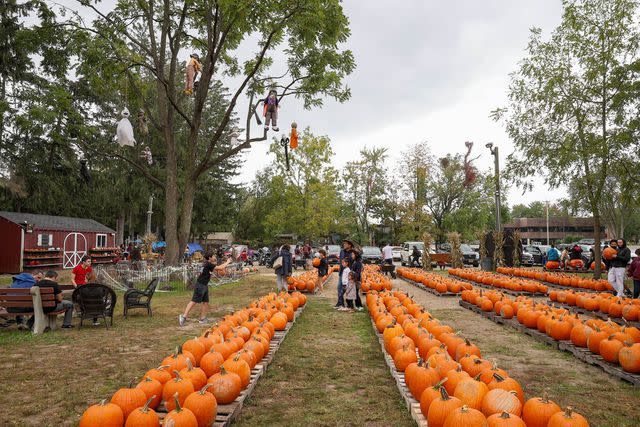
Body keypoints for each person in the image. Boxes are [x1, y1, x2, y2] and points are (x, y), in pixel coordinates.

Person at [179, 251, 216, 326]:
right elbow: (220, 268)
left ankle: (203, 318)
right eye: (213, 256)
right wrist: (228, 262)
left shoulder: (209, 264)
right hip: (200, 285)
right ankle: (183, 317)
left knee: (205, 302)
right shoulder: (208, 264)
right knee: (194, 301)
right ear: (210, 258)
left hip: (204, 285)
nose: (214, 257)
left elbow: (215, 266)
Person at [335, 239, 354, 309]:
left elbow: (353, 262)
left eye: (346, 244)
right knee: (339, 287)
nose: (344, 245)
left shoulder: (352, 253)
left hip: (349, 273)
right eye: (344, 243)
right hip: (342, 273)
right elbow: (340, 261)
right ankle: (340, 303)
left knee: (348, 289)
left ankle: (350, 305)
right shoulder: (342, 252)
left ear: (349, 245)